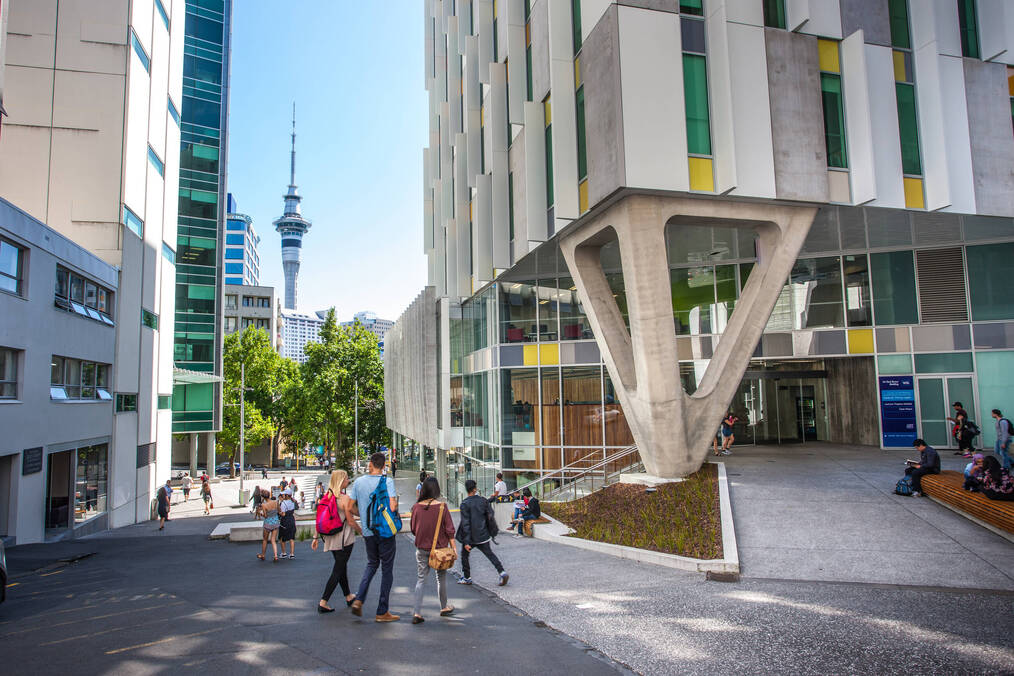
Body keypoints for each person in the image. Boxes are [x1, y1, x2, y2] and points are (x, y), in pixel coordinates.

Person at [348, 452, 400, 622]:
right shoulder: (387, 481)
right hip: (385, 531)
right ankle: (382, 611)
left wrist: (363, 515)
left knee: (371, 564)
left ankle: (359, 599)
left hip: (368, 531)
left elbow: (349, 507)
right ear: (384, 466)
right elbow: (392, 507)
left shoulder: (359, 482)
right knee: (387, 570)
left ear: (370, 464)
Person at [311, 469, 361, 613]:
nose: (348, 481)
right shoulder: (344, 499)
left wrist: (315, 537)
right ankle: (323, 601)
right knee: (338, 570)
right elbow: (352, 520)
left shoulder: (327, 497)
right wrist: (363, 532)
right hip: (344, 539)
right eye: (346, 478)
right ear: (341, 480)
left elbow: (319, 518)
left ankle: (348, 596)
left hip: (330, 538)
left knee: (341, 567)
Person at [409, 477, 456, 624]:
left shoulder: (416, 507)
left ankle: (417, 612)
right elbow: (449, 530)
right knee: (441, 578)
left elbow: (413, 529)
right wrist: (453, 548)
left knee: (421, 579)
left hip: (422, 548)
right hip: (440, 550)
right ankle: (444, 606)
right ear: (436, 490)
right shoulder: (442, 506)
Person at [456, 479, 508, 587]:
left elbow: (465, 523)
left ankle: (467, 577)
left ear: (466, 489)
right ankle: (502, 572)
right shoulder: (483, 501)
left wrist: (466, 541)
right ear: (475, 489)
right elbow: (491, 514)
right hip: (483, 534)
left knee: (464, 556)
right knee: (490, 554)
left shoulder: (465, 504)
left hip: (470, 537)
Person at [257, 489, 281, 562]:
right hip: (275, 522)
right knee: (273, 540)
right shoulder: (275, 502)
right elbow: (279, 511)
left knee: (265, 540)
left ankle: (263, 555)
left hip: (268, 524)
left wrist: (260, 514)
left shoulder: (264, 505)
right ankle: (276, 556)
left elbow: (265, 516)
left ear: (263, 497)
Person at [278, 488, 298, 559]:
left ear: (286, 495)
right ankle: (292, 554)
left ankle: (284, 553)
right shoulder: (293, 502)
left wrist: (279, 512)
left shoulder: (283, 503)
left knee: (282, 537)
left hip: (285, 521)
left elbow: (283, 514)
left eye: (284, 494)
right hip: (292, 520)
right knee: (291, 537)